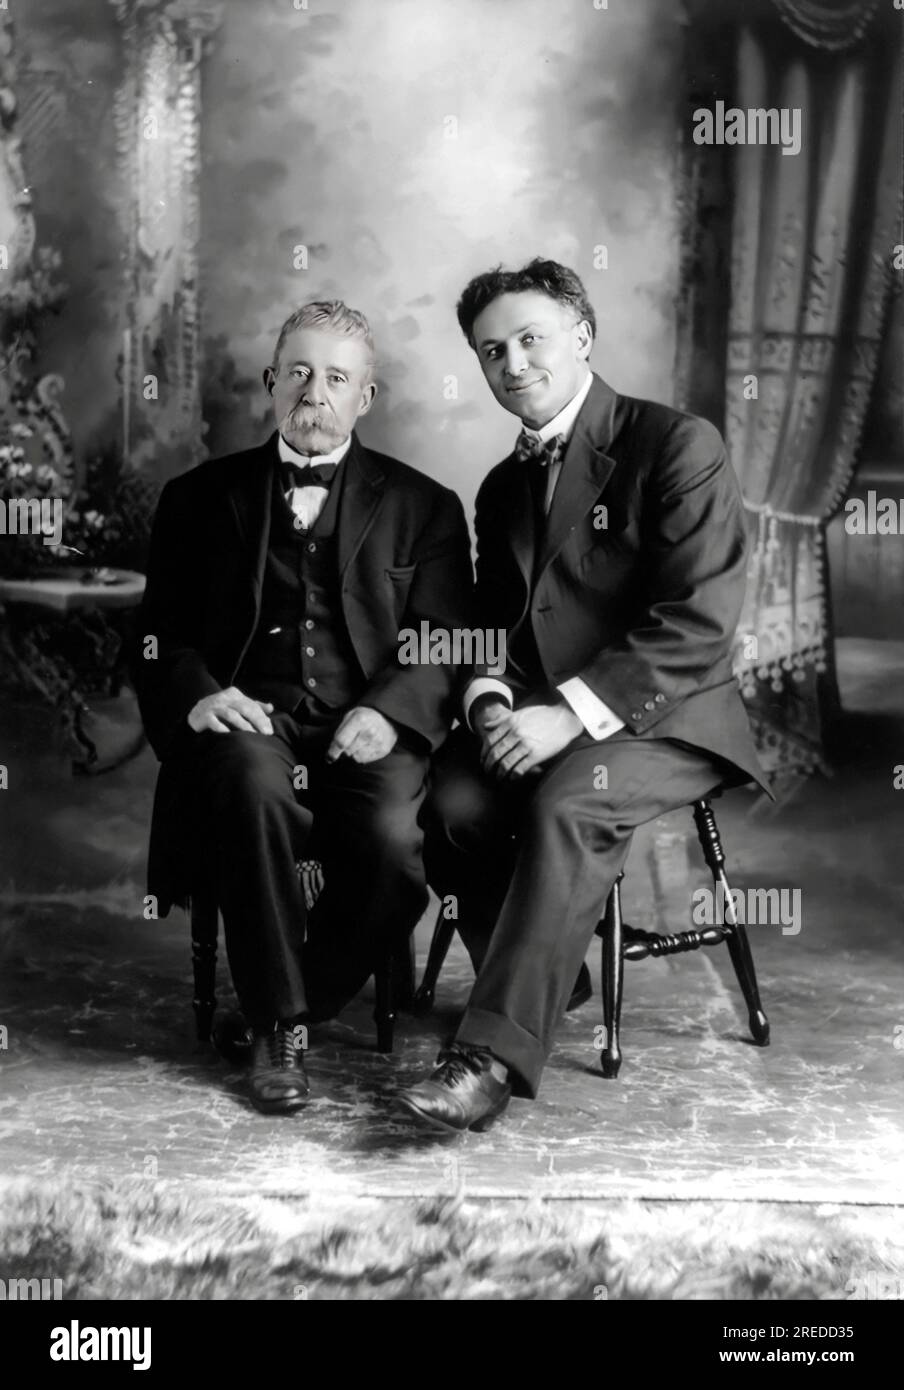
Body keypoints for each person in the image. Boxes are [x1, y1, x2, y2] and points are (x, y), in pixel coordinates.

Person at [397, 259, 768, 1134]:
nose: (513, 364)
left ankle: (486, 1060)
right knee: (447, 795)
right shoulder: (501, 486)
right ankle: (548, 983)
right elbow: (493, 626)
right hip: (543, 711)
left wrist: (568, 714)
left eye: (532, 339)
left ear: (583, 338)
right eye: (493, 352)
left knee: (568, 801)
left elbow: (699, 620)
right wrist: (490, 706)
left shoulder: (678, 444)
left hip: (669, 715)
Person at [133, 300, 472, 1115]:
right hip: (254, 719)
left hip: (367, 721)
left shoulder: (425, 506)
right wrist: (201, 694)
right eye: (299, 373)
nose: (314, 392)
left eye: (337, 378)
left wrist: (391, 710)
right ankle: (280, 1030)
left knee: (395, 847)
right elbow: (156, 635)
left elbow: (444, 639)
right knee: (249, 787)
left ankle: (296, 994)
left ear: (367, 396)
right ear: (270, 384)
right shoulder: (199, 497)